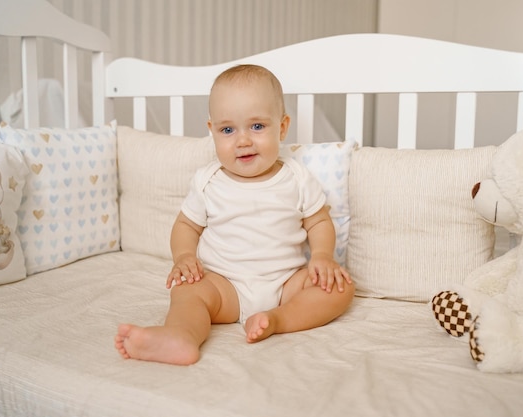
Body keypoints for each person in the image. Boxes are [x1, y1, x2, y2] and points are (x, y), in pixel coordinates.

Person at [114, 64, 355, 366]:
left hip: (286, 285)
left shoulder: (296, 177)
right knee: (187, 291)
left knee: (341, 287)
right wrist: (184, 257)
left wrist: (322, 255)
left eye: (257, 127)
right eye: (228, 130)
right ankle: (180, 337)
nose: (242, 141)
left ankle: (277, 319)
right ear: (212, 131)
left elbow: (318, 221)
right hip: (223, 285)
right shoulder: (208, 180)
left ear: (281, 127)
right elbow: (186, 225)